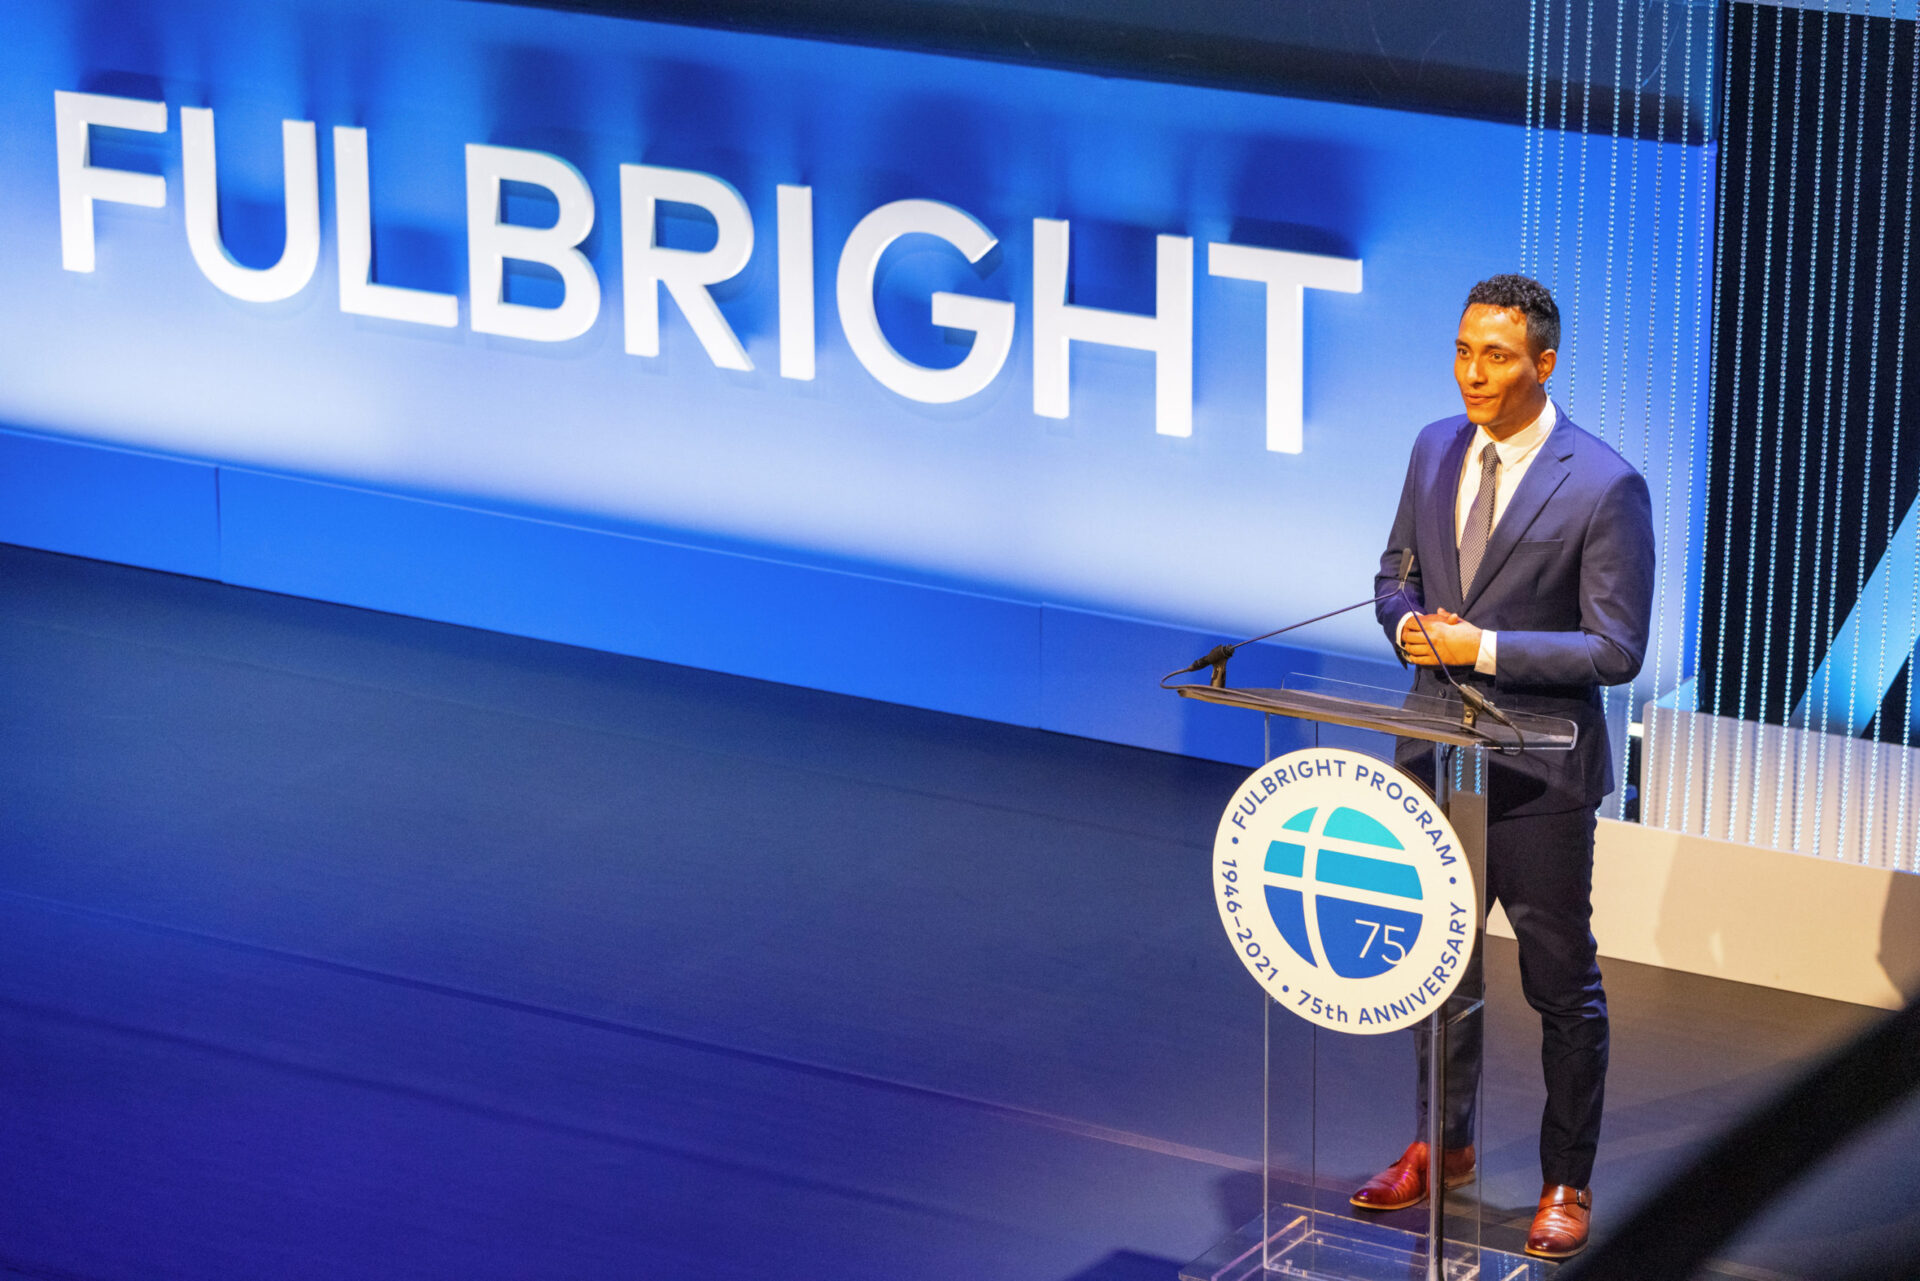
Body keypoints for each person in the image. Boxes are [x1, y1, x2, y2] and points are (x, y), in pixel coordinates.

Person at [1354, 274, 1655, 1260]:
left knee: (1559, 983)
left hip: (1540, 772)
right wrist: (1408, 629)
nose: (1472, 374)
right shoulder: (1433, 444)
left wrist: (1477, 647)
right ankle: (1443, 1147)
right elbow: (1396, 573)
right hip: (1436, 754)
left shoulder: (1606, 484)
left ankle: (1568, 1178)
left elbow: (1614, 651)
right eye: (1463, 351)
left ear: (1544, 364)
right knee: (1439, 970)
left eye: (1495, 356)